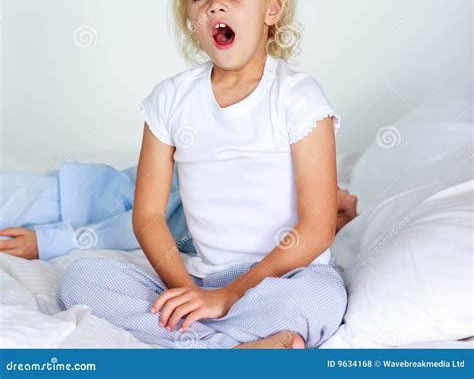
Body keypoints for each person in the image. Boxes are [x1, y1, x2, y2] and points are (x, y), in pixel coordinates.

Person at [56, 0, 353, 349]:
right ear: (192, 21)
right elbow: (148, 217)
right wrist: (190, 294)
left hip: (285, 277)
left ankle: (215, 345)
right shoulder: (169, 99)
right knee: (82, 278)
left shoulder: (298, 96)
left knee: (322, 297)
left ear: (272, 8)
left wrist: (229, 297)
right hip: (203, 275)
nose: (216, 4)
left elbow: (318, 228)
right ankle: (236, 347)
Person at [0, 161, 357, 260]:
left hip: (82, 202)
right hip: (79, 199)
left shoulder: (260, 228)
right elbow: (144, 224)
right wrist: (51, 242)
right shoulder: (263, 189)